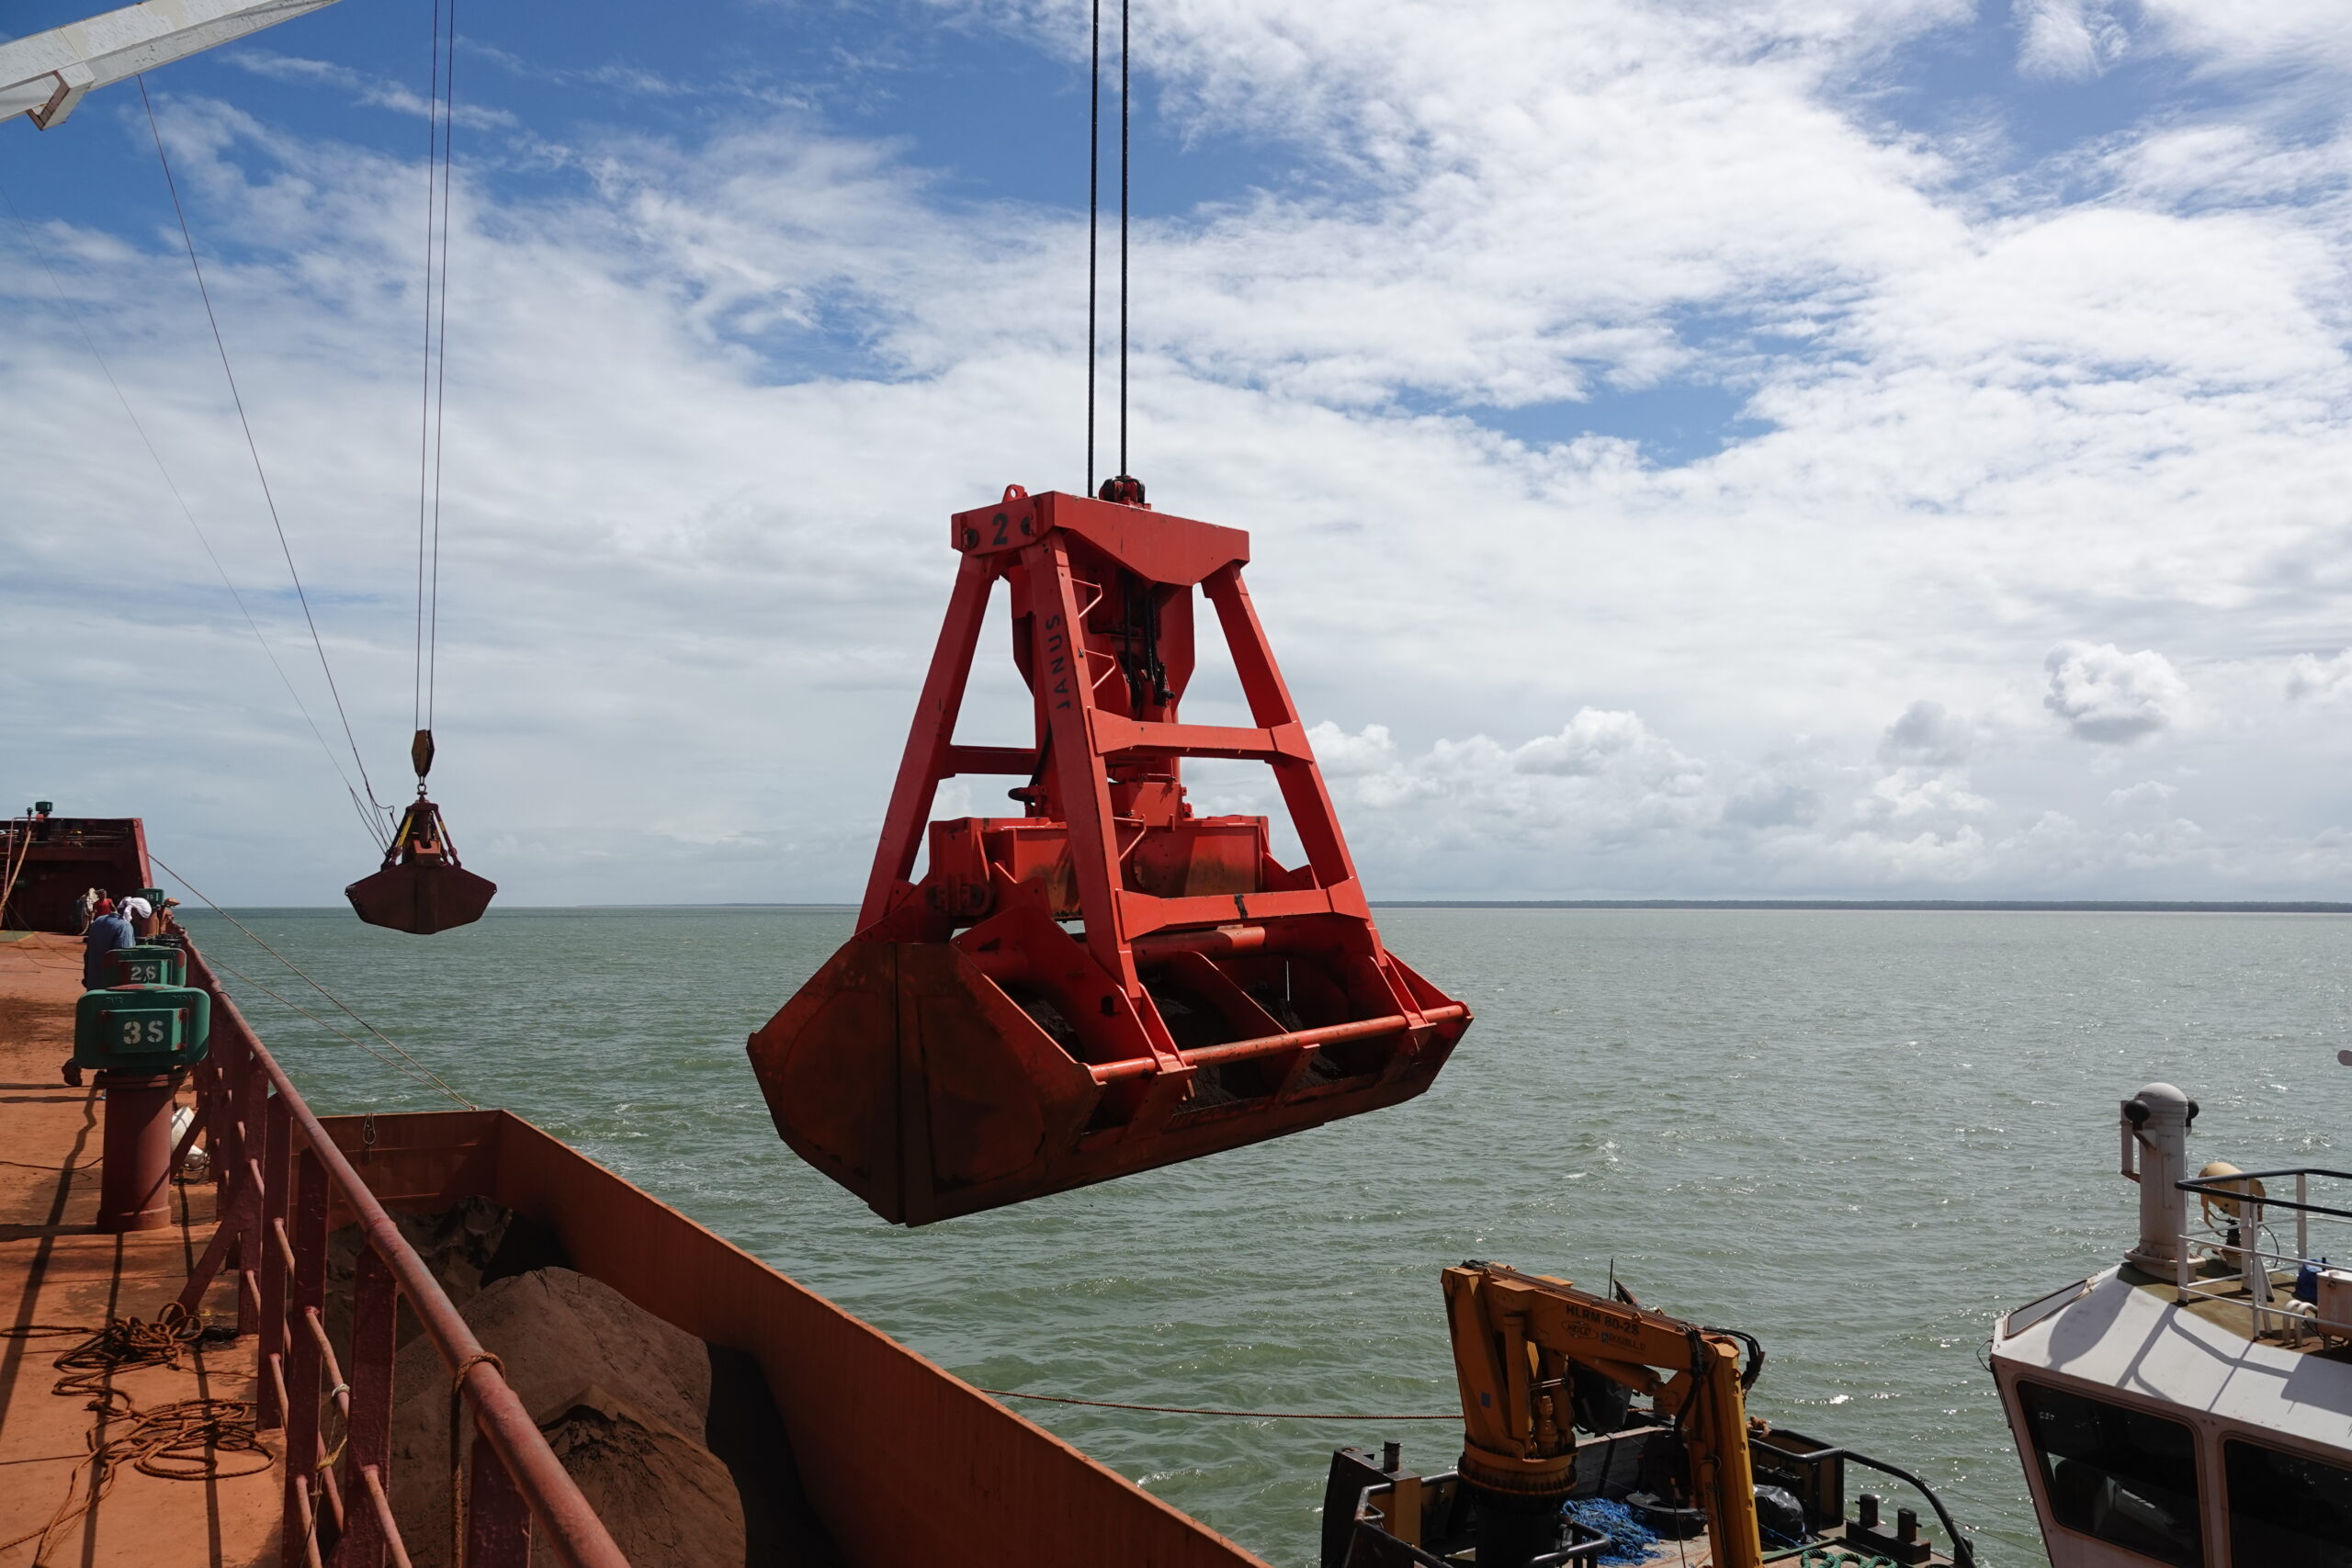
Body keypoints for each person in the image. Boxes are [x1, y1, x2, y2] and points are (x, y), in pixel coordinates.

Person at [83, 897, 134, 988]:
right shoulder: (125, 926)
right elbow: (124, 959)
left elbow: (87, 954)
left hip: (93, 983)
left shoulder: (98, 921)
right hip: (111, 987)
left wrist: (87, 977)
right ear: (134, 912)